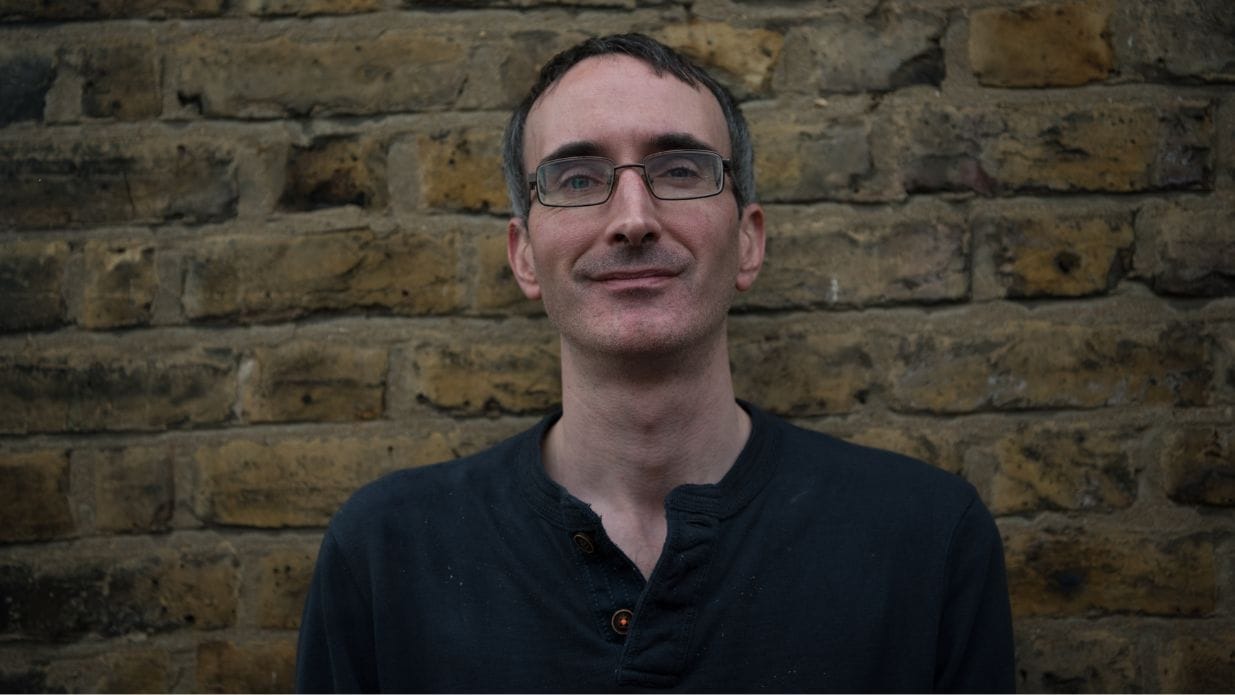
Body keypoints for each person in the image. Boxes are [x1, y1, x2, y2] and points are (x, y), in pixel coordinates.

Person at [296, 33, 1015, 692]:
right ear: (523, 255)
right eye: (577, 178)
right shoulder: (386, 554)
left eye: (679, 169)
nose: (633, 217)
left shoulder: (923, 539)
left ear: (749, 242)